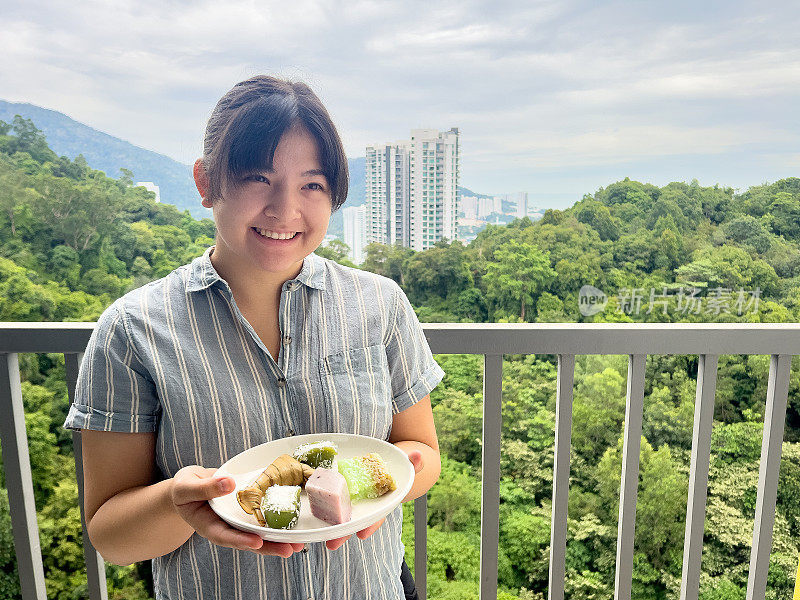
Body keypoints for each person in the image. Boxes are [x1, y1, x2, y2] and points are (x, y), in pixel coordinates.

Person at [63, 75, 444, 600]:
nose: (285, 209)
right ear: (204, 183)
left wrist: (389, 488)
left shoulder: (379, 304)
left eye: (312, 184)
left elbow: (421, 450)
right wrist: (179, 504)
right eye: (258, 179)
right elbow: (111, 535)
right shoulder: (133, 330)